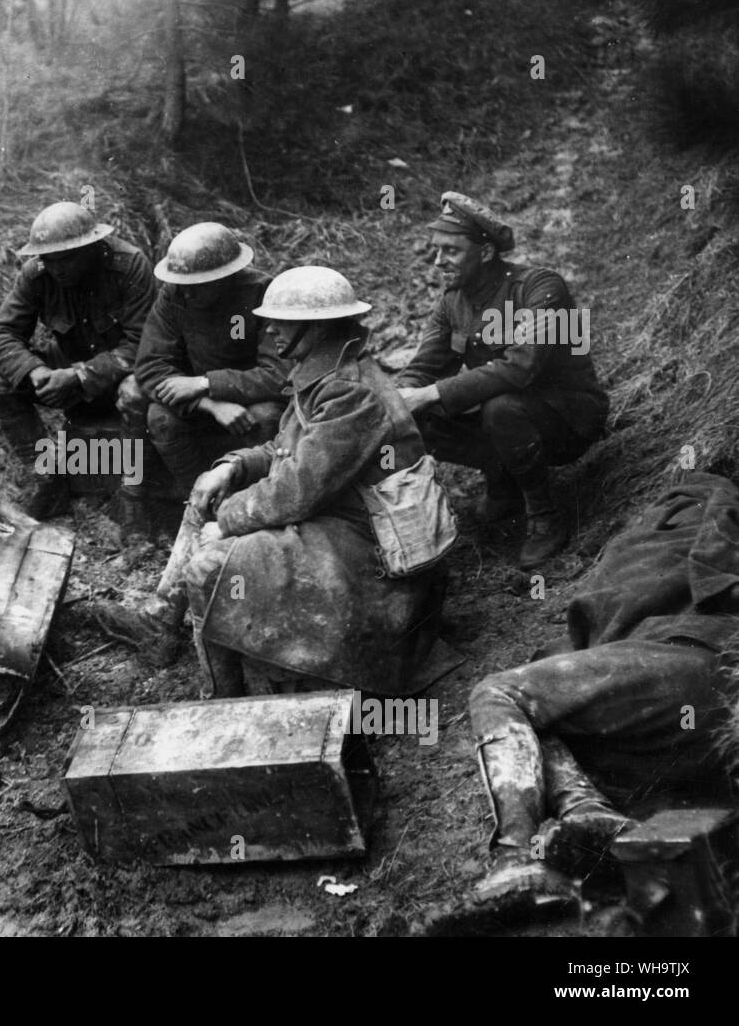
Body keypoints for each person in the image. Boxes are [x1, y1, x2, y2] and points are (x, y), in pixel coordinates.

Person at [98, 266, 446, 696]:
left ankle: (225, 699)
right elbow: (285, 446)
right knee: (208, 490)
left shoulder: (348, 392)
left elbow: (296, 491)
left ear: (315, 328)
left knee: (210, 565)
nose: (268, 329)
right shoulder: (323, 374)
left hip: (372, 543)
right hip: (341, 514)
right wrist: (232, 468)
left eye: (281, 321)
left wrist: (226, 522)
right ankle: (160, 619)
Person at [468, 472, 739, 906]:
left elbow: (720, 563)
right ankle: (590, 815)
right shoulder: (642, 545)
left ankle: (517, 856)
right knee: (543, 719)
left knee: (498, 693)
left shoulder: (708, 493)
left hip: (695, 664)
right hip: (668, 710)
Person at [396, 191, 609, 568]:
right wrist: (398, 398)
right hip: (514, 418)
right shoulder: (452, 301)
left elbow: (521, 367)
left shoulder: (540, 287)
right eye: (436, 251)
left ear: (487, 253)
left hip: (570, 415)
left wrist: (429, 392)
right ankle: (503, 478)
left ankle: (544, 515)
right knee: (415, 412)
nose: (438, 262)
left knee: (500, 408)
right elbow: (425, 366)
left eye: (451, 251)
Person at [0, 201, 156, 519]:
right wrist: (34, 371)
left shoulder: (128, 265)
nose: (57, 268)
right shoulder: (37, 275)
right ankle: (47, 478)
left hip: (120, 376)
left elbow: (144, 345)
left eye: (66, 258)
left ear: (91, 247)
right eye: (48, 259)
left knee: (136, 389)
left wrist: (80, 376)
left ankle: (134, 497)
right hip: (67, 372)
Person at [116, 222, 287, 534]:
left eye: (197, 284)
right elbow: (151, 365)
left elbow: (279, 374)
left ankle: (252, 509)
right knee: (159, 416)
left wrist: (205, 382)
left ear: (225, 277)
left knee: (265, 418)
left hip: (251, 401)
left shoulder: (263, 293)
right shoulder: (174, 296)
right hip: (201, 403)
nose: (186, 291)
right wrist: (209, 403)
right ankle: (198, 502)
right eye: (181, 283)